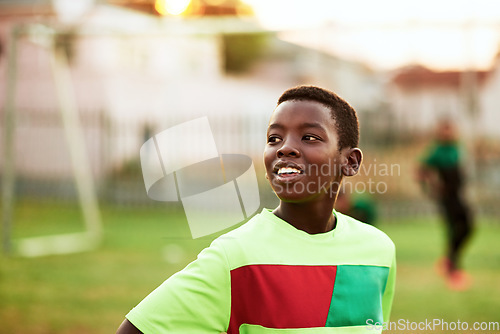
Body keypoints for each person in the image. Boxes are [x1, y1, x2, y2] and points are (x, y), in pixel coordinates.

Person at [117, 85, 396, 334]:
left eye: (309, 137)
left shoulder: (379, 251)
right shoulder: (236, 256)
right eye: (274, 138)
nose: (285, 148)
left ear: (350, 162)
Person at [417, 119, 474, 291]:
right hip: (448, 197)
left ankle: (449, 261)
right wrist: (431, 189)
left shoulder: (456, 148)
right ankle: (453, 271)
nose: (448, 133)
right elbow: (421, 171)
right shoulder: (437, 152)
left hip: (458, 196)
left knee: (468, 227)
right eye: (445, 130)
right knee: (452, 229)